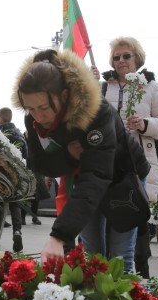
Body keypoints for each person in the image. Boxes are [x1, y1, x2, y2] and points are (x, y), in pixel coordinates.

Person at [12, 49, 149, 267]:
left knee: (120, 257)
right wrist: (68, 154)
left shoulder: (95, 111)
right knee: (93, 255)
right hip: (85, 181)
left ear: (64, 95)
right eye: (31, 108)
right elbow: (42, 165)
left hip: (122, 175)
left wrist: (58, 236)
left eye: (44, 108)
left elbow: (96, 174)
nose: (38, 116)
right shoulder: (34, 120)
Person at [93, 36, 158, 268]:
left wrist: (144, 124)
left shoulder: (150, 86)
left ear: (137, 58)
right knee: (98, 242)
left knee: (133, 245)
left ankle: (134, 293)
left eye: (126, 55)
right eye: (116, 57)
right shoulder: (101, 87)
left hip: (135, 171)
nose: (121, 60)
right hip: (103, 169)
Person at [0, 107, 27, 251]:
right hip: (17, 175)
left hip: (0, 176)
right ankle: (17, 231)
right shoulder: (19, 134)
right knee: (15, 204)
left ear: (0, 118)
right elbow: (26, 157)